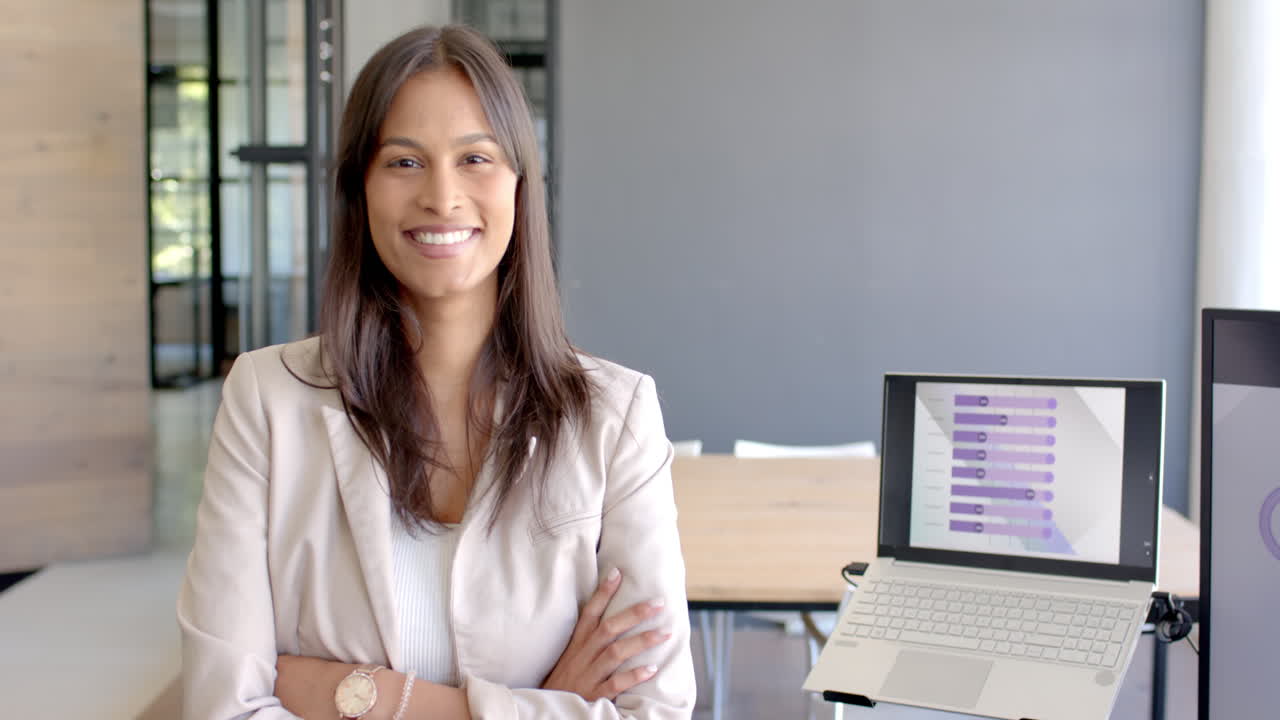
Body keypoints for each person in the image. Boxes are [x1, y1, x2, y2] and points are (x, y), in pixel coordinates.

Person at [178, 25, 695, 720]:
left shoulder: (616, 413)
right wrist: (538, 706)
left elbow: (654, 712)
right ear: (359, 189)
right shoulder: (266, 398)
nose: (443, 198)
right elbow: (223, 708)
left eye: (475, 158)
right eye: (403, 162)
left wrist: (362, 699)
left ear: (519, 184)